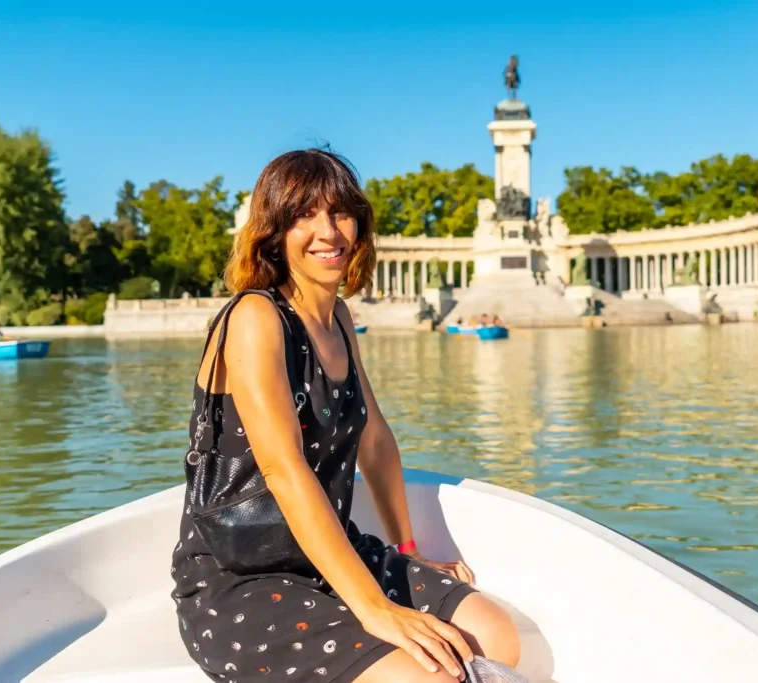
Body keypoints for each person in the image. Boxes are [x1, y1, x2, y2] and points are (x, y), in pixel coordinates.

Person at [171, 149, 520, 683]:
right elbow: (283, 472)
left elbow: (375, 440)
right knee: (429, 675)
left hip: (332, 550)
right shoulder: (255, 317)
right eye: (302, 216)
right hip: (241, 575)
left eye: (339, 212)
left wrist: (408, 550)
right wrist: (376, 609)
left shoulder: (337, 316)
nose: (327, 232)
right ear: (273, 232)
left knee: (497, 639)